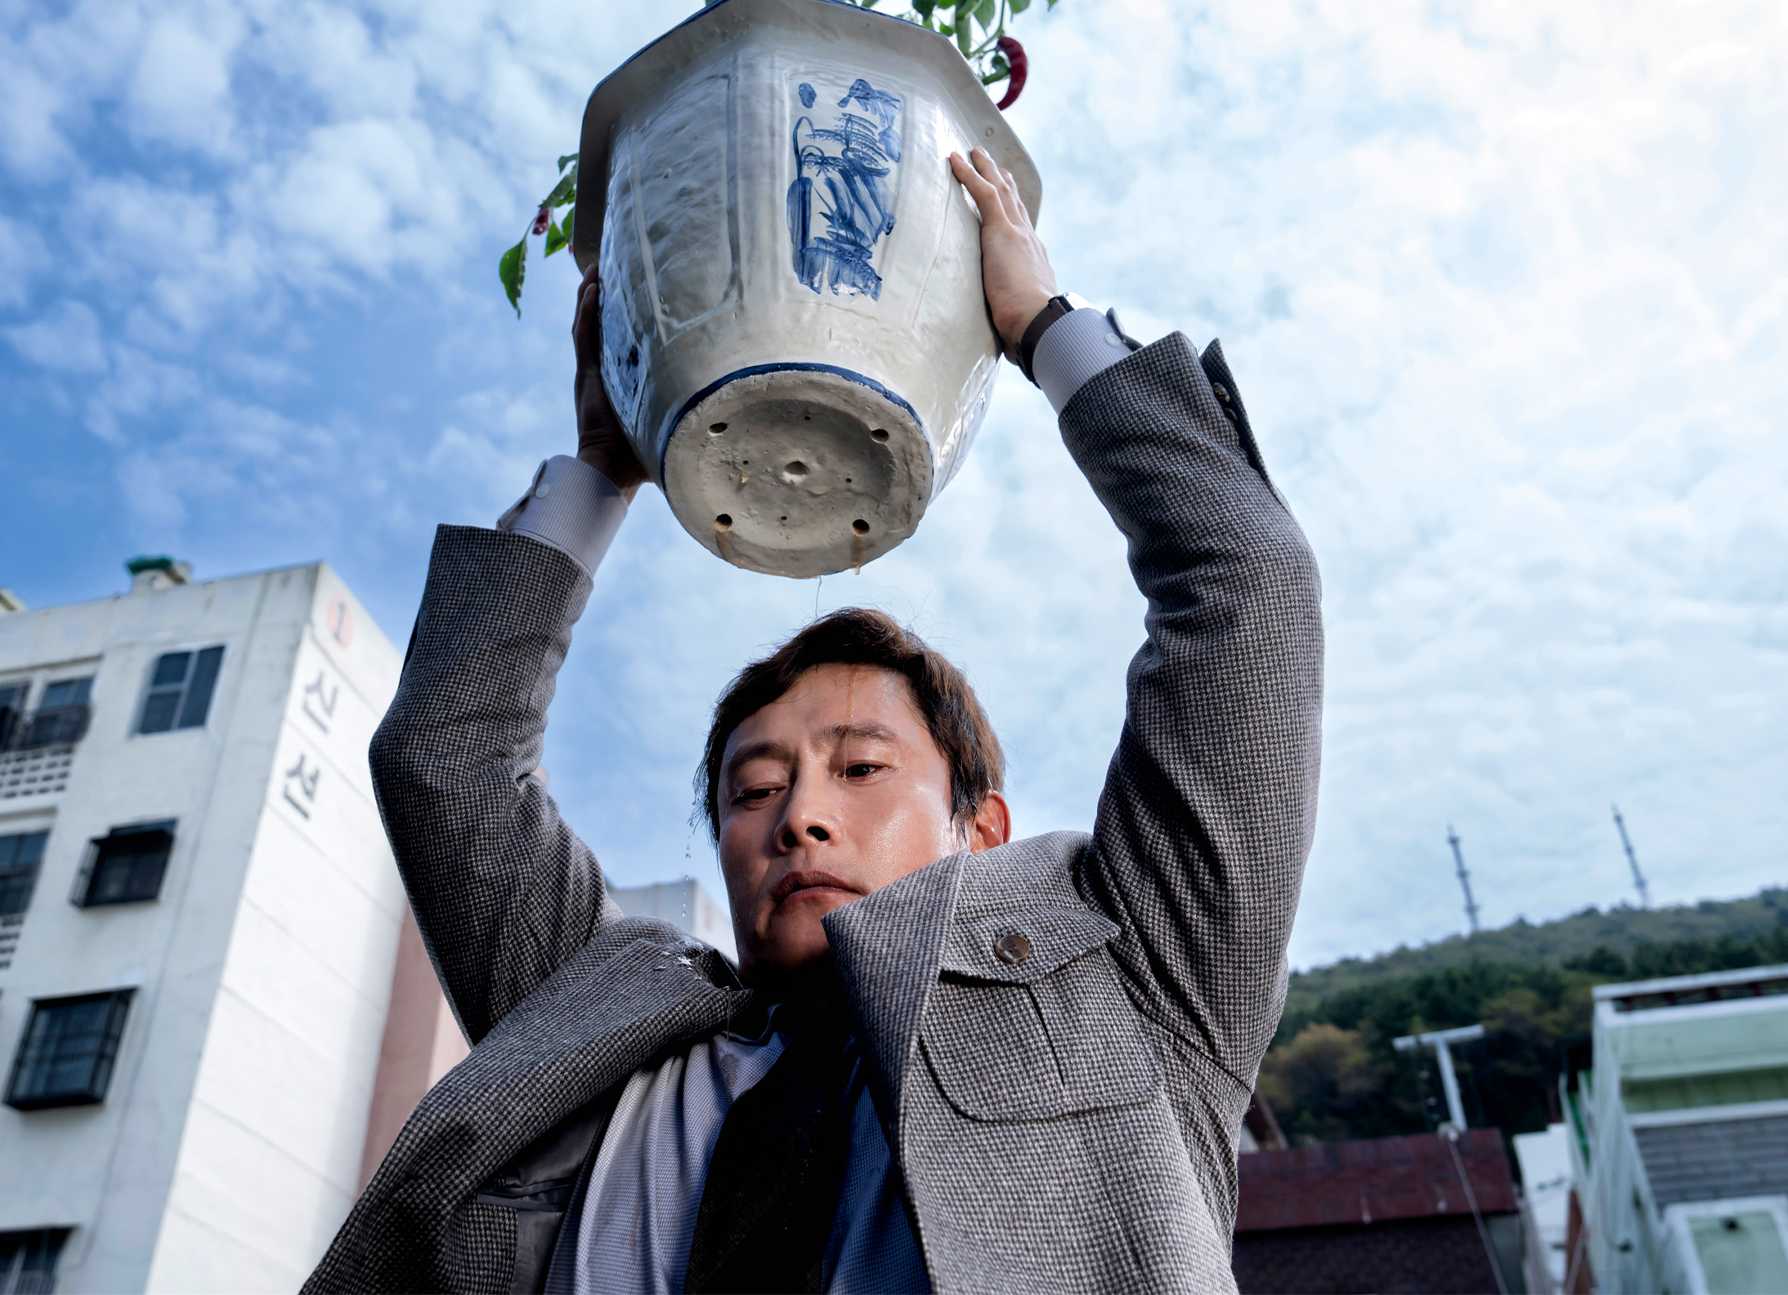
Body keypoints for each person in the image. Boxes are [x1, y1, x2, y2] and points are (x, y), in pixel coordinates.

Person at [305, 148, 1323, 1295]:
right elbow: (443, 756)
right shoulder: (593, 1025)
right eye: (752, 789)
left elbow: (1248, 587)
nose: (799, 819)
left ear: (975, 831)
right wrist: (601, 465)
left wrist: (1040, 324)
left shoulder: (1139, 975)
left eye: (861, 769)